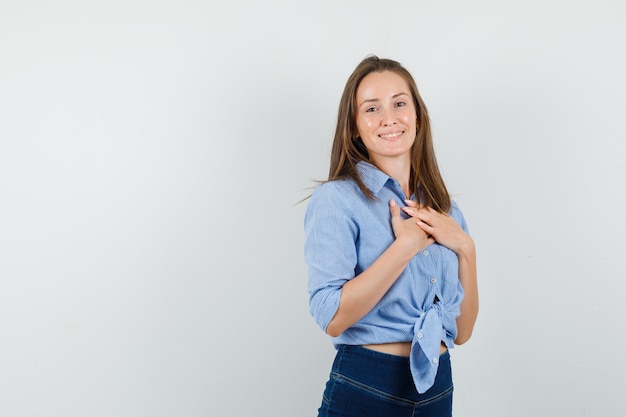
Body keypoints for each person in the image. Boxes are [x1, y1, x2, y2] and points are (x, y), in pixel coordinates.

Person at [304, 55, 479, 417]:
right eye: (372, 108)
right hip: (367, 385)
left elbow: (461, 333)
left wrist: (465, 247)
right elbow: (331, 316)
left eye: (400, 103)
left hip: (437, 387)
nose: (389, 118)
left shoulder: (446, 212)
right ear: (354, 127)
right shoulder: (337, 199)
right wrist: (405, 247)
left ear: (417, 114)